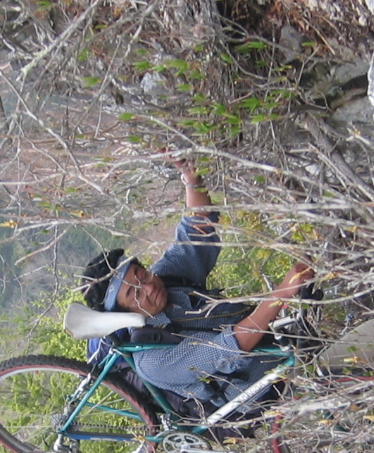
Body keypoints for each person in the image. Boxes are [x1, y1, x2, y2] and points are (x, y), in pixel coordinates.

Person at [78, 161, 314, 413]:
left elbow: (197, 229)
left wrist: (191, 179)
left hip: (282, 350)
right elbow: (231, 347)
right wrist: (281, 294)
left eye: (141, 274)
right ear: (124, 313)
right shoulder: (152, 357)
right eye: (134, 293)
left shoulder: (165, 280)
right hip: (265, 394)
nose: (148, 287)